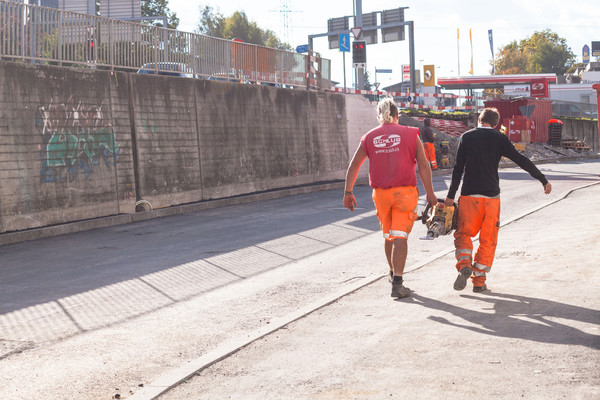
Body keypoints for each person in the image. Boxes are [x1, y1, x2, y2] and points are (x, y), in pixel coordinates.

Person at [444, 107, 552, 293]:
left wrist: (450, 195)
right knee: (488, 240)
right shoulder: (499, 138)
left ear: (479, 119)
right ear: (495, 124)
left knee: (463, 234)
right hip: (491, 198)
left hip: (469, 196)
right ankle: (479, 282)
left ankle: (464, 265)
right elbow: (521, 160)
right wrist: (542, 179)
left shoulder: (466, 138)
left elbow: (457, 169)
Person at [343, 97, 437, 298]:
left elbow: (354, 165)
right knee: (400, 236)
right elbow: (423, 164)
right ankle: (398, 283)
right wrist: (430, 193)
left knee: (389, 235)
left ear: (379, 116)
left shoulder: (369, 137)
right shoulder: (411, 134)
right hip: (405, 193)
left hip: (381, 195)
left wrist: (348, 192)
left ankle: (393, 273)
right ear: (397, 115)